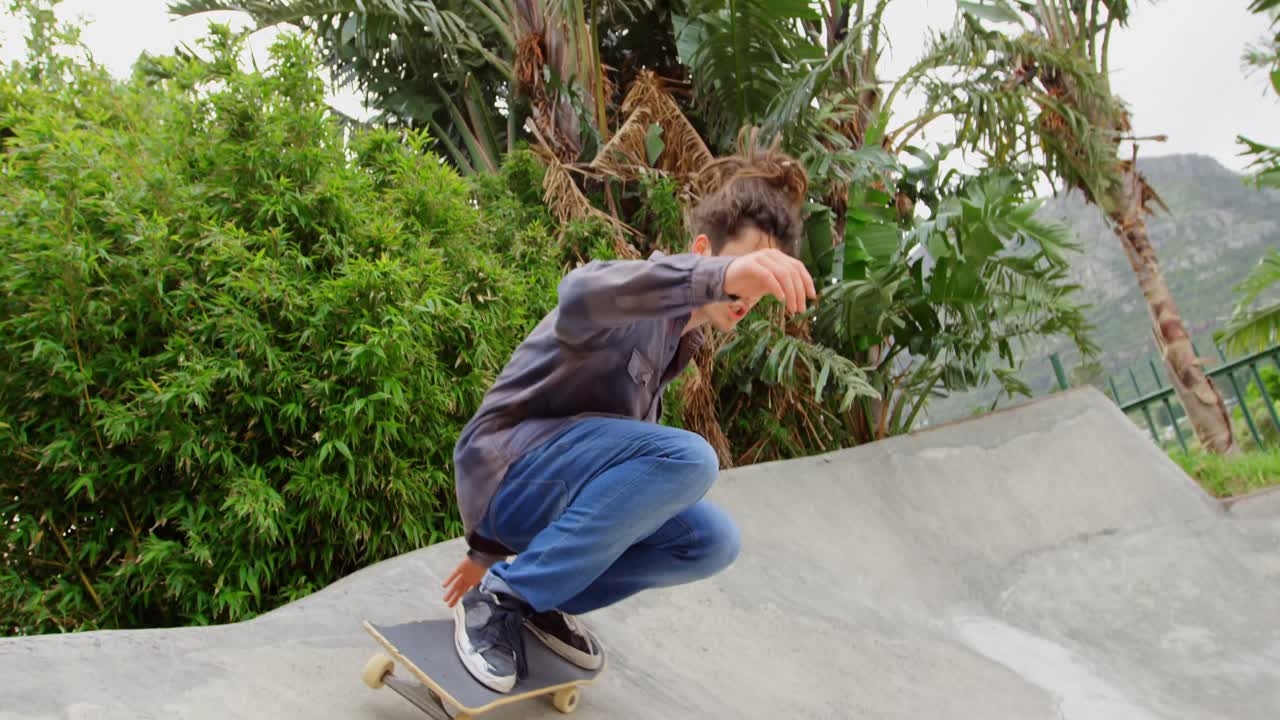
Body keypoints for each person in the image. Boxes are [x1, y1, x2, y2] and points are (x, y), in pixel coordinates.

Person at [440, 143, 816, 693]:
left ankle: (537, 600)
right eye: (750, 266)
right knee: (690, 457)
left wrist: (484, 553)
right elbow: (578, 294)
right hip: (505, 469)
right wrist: (721, 274)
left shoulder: (674, 349)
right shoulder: (637, 299)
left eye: (762, 278)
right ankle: (504, 599)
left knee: (711, 538)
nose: (750, 291)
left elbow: (596, 468)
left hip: (537, 491)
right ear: (705, 252)